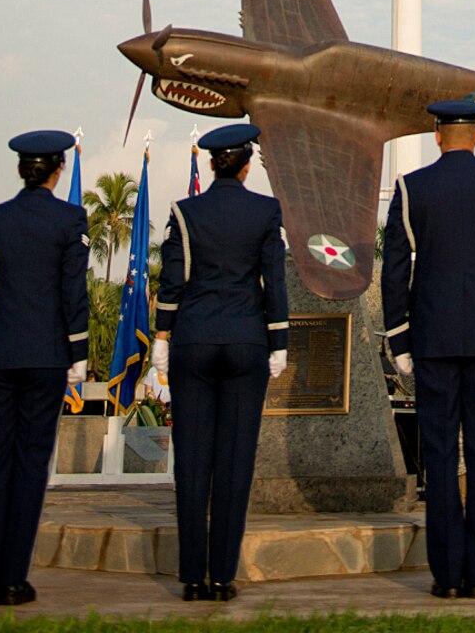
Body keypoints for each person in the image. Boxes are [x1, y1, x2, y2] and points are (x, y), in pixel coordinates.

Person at [381, 97, 475, 600]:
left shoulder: (412, 188)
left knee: (441, 456)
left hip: (433, 337)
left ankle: (445, 576)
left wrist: (399, 336)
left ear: (437, 136)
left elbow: (395, 269)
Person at [151, 121, 288, 602]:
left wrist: (161, 337)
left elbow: (173, 280)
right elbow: (274, 279)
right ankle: (222, 576)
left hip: (193, 342)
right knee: (234, 462)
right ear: (247, 165)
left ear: (212, 164)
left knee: (191, 461)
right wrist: (279, 342)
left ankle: (191, 576)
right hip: (247, 341)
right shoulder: (266, 211)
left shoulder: (185, 213)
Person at [0, 129, 89, 608]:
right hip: (45, 356)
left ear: (22, 170)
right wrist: (78, 353)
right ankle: (15, 578)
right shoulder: (69, 218)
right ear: (57, 171)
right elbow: (72, 293)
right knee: (31, 465)